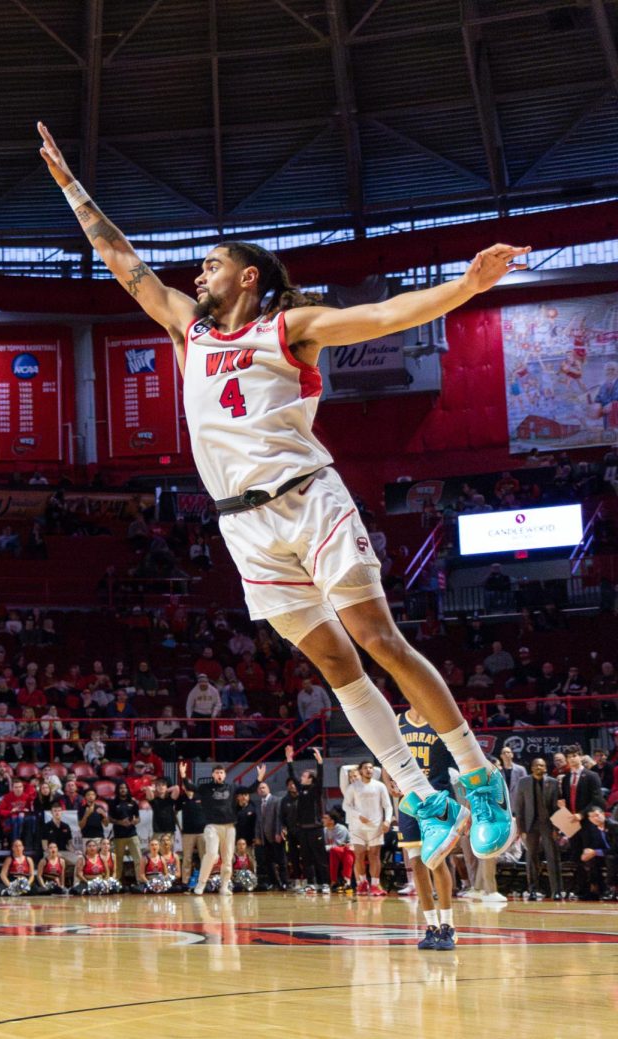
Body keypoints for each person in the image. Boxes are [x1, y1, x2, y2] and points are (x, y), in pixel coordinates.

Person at [38, 121, 525, 869]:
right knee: (335, 665)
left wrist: (465, 285)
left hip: (308, 498)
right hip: (244, 528)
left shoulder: (290, 326)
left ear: (249, 278)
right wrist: (72, 187)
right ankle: (419, 796)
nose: (197, 276)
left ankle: (477, 775)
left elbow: (385, 316)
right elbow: (124, 263)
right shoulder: (187, 333)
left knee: (378, 639)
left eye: (211, 266)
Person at [395, 706, 458, 950]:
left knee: (437, 861)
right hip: (410, 803)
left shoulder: (440, 719)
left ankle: (448, 926)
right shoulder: (398, 722)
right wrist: (391, 781)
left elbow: (461, 760)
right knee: (417, 864)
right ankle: (430, 926)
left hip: (437, 799)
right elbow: (385, 757)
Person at [514, 758, 564, 900]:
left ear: (545, 768)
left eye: (542, 765)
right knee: (531, 857)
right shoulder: (523, 782)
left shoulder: (553, 783)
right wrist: (520, 828)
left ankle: (557, 890)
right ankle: (533, 890)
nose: (539, 767)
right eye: (536, 765)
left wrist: (557, 828)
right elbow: (519, 807)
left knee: (553, 856)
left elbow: (556, 807)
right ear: (531, 767)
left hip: (548, 823)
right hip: (530, 825)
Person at [340, 760, 392, 896]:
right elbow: (346, 806)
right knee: (359, 855)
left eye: (371, 767)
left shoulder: (380, 786)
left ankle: (375, 885)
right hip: (357, 827)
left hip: (376, 826)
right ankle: (362, 883)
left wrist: (387, 821)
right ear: (361, 770)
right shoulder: (353, 787)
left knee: (374, 855)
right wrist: (358, 815)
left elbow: (388, 806)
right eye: (366, 768)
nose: (369, 770)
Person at [285, 746, 329, 892]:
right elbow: (292, 775)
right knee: (307, 859)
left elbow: (321, 777)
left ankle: (325, 884)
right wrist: (289, 760)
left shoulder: (316, 790)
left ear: (311, 779)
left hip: (315, 829)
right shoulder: (301, 789)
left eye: (304, 776)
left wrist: (320, 763)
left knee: (320, 858)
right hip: (302, 830)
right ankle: (311, 883)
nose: (301, 778)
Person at [192, 763, 237, 895]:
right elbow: (191, 787)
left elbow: (250, 789)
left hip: (229, 827)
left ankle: (224, 886)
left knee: (228, 859)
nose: (219, 775)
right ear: (212, 774)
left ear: (225, 775)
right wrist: (183, 776)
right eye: (217, 772)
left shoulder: (231, 787)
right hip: (212, 826)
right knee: (211, 854)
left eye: (221, 772)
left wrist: (259, 779)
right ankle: (201, 884)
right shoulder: (206, 788)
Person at [108, 783, 145, 888]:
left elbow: (138, 818)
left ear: (128, 790)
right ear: (118, 790)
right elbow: (110, 819)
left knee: (138, 858)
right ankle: (116, 882)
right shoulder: (113, 803)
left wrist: (134, 822)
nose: (123, 790)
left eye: (125, 788)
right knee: (118, 860)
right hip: (119, 835)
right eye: (121, 788)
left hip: (132, 834)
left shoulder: (133, 802)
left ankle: (140, 881)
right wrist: (120, 822)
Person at [322, 811, 355, 891]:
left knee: (339, 850)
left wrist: (323, 848)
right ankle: (332, 881)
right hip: (335, 851)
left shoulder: (341, 829)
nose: (322, 820)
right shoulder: (325, 830)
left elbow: (338, 844)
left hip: (348, 850)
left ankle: (346, 880)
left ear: (332, 821)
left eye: (325, 818)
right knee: (332, 851)